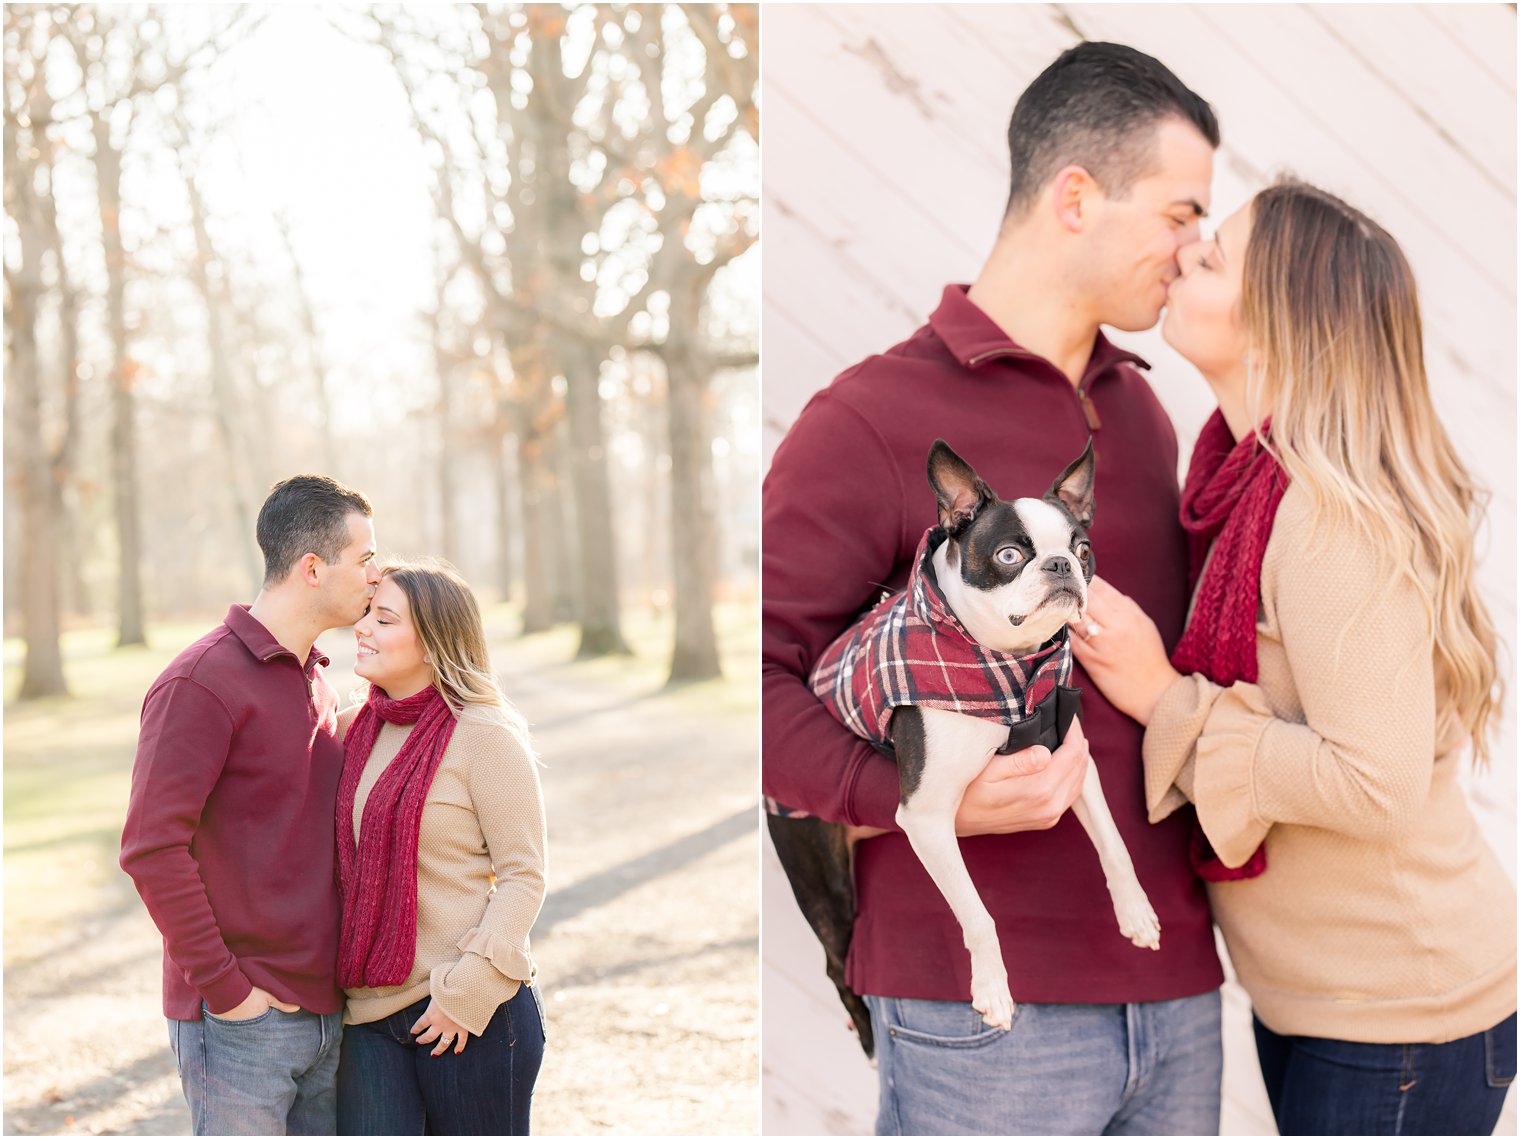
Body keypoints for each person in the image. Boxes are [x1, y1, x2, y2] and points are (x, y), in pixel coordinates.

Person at [763, 42, 1228, 1135]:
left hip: (1173, 989)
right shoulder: (868, 417)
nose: (1193, 247)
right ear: (1076, 196)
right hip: (981, 1012)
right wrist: (910, 799)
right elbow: (764, 689)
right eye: (1177, 212)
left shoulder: (1144, 416)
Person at [1070, 178, 1517, 1136]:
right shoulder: (1246, 480)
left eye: (1214, 256)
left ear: (1277, 328)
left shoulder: (1319, 517)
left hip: (1400, 1019)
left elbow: (1375, 780)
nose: (1186, 253)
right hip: (1334, 1007)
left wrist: (1164, 698)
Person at [120, 475, 381, 1136]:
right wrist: (229, 992)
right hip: (242, 1022)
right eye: (366, 558)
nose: (377, 576)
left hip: (327, 1013)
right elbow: (151, 848)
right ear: (313, 567)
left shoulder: (314, 678)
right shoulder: (200, 681)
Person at [334, 560, 546, 1137]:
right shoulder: (355, 729)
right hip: (370, 1015)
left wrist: (468, 990)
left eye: (383, 619)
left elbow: (524, 876)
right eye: (365, 615)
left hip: (471, 1012)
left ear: (432, 640)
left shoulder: (484, 734)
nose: (362, 629)